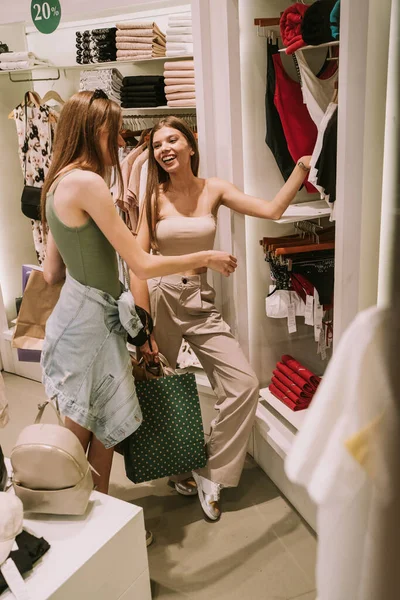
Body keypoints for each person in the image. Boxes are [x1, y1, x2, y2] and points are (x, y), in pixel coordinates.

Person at [40, 90, 237, 512]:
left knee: (94, 425)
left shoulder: (57, 182)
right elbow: (142, 264)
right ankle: (85, 527)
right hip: (93, 322)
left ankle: (96, 526)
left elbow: (51, 273)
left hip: (80, 315)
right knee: (89, 430)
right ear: (96, 130)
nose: (123, 142)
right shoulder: (88, 183)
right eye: (115, 131)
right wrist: (205, 256)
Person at [131, 116, 312, 521]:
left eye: (173, 140)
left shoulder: (214, 188)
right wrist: (144, 331)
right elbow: (138, 267)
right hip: (161, 295)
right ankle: (177, 469)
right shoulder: (152, 197)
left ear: (190, 145)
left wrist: (301, 168)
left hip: (198, 298)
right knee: (160, 386)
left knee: (244, 384)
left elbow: (271, 210)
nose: (165, 149)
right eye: (158, 145)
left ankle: (211, 469)